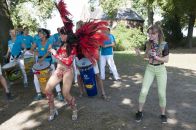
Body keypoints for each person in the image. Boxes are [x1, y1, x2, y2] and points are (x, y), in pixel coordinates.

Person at [135, 24, 169, 123]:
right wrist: (139, 53)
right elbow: (144, 57)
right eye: (149, 33)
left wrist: (156, 57)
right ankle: (139, 112)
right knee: (143, 91)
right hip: (149, 68)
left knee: (161, 94)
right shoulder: (147, 43)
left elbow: (166, 60)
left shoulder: (164, 44)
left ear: (158, 34)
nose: (150, 35)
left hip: (161, 69)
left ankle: (163, 114)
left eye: (152, 33)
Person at [45, 27, 78, 121]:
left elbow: (68, 61)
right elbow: (58, 58)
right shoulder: (61, 44)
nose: (61, 36)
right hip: (58, 70)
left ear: (68, 35)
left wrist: (55, 53)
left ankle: (74, 109)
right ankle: (52, 109)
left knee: (65, 93)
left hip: (68, 71)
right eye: (60, 34)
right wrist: (51, 51)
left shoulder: (73, 46)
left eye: (63, 34)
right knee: (47, 90)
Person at [30, 28, 63, 101]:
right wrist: (36, 53)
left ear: (45, 34)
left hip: (48, 62)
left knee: (55, 76)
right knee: (36, 77)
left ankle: (59, 94)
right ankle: (39, 94)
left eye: (40, 33)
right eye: (38, 33)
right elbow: (31, 49)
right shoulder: (37, 41)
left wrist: (42, 58)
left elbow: (49, 51)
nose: (39, 34)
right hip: (39, 63)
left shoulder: (49, 40)